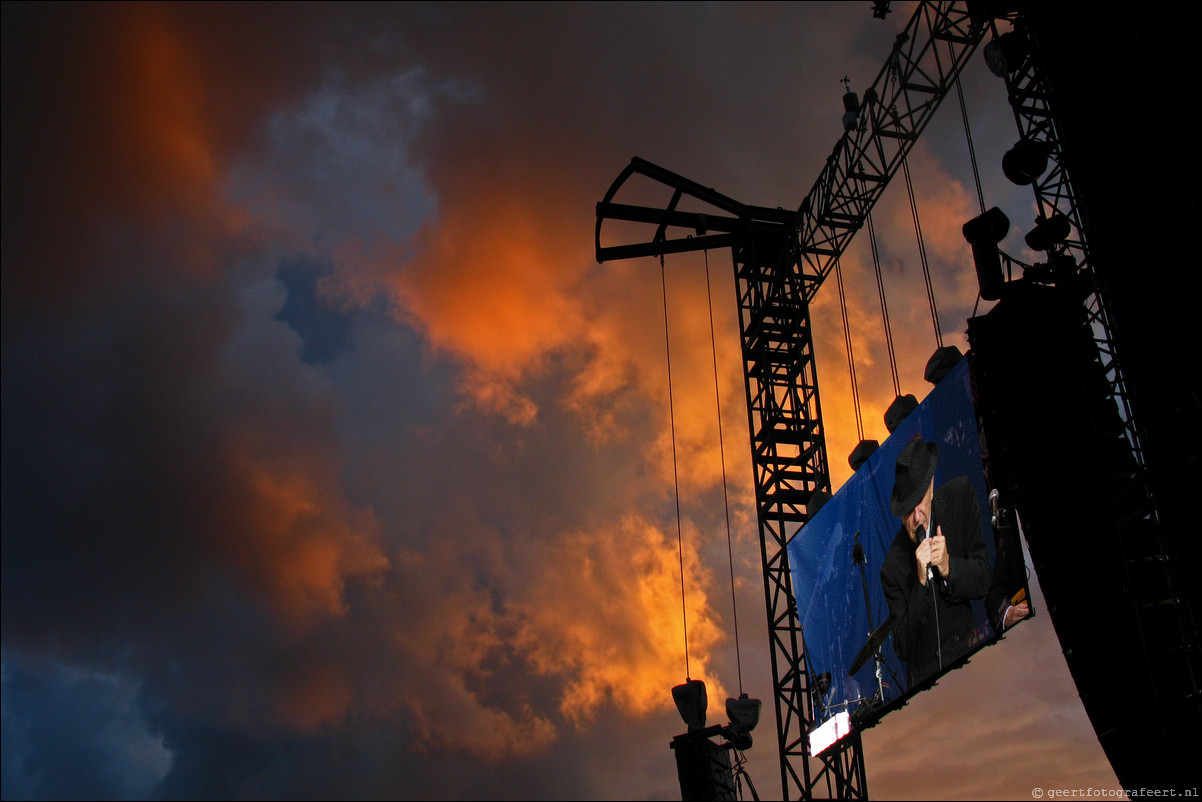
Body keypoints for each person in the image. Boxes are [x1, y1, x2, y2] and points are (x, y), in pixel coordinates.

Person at [880, 437, 990, 687]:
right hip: (928, 686)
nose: (916, 517)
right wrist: (919, 582)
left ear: (930, 486)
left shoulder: (959, 498)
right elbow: (902, 647)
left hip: (970, 665)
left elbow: (984, 579)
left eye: (918, 502)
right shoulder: (892, 567)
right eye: (907, 511)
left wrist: (950, 567)